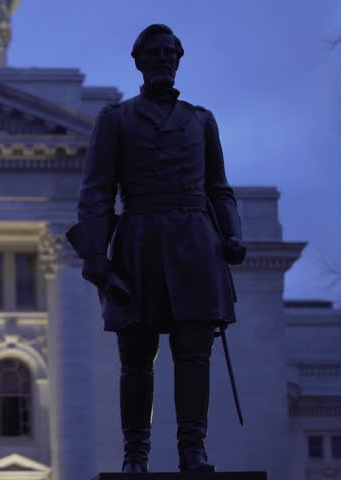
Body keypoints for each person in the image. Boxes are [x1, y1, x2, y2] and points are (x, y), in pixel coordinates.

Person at [67, 24, 246, 473]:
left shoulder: (202, 119)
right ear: (139, 60)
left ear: (178, 58)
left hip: (195, 242)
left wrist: (233, 232)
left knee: (193, 353)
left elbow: (219, 188)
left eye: (171, 52)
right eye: (155, 52)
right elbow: (96, 190)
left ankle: (193, 449)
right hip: (139, 243)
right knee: (136, 357)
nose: (164, 59)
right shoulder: (116, 118)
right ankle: (135, 455)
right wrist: (95, 257)